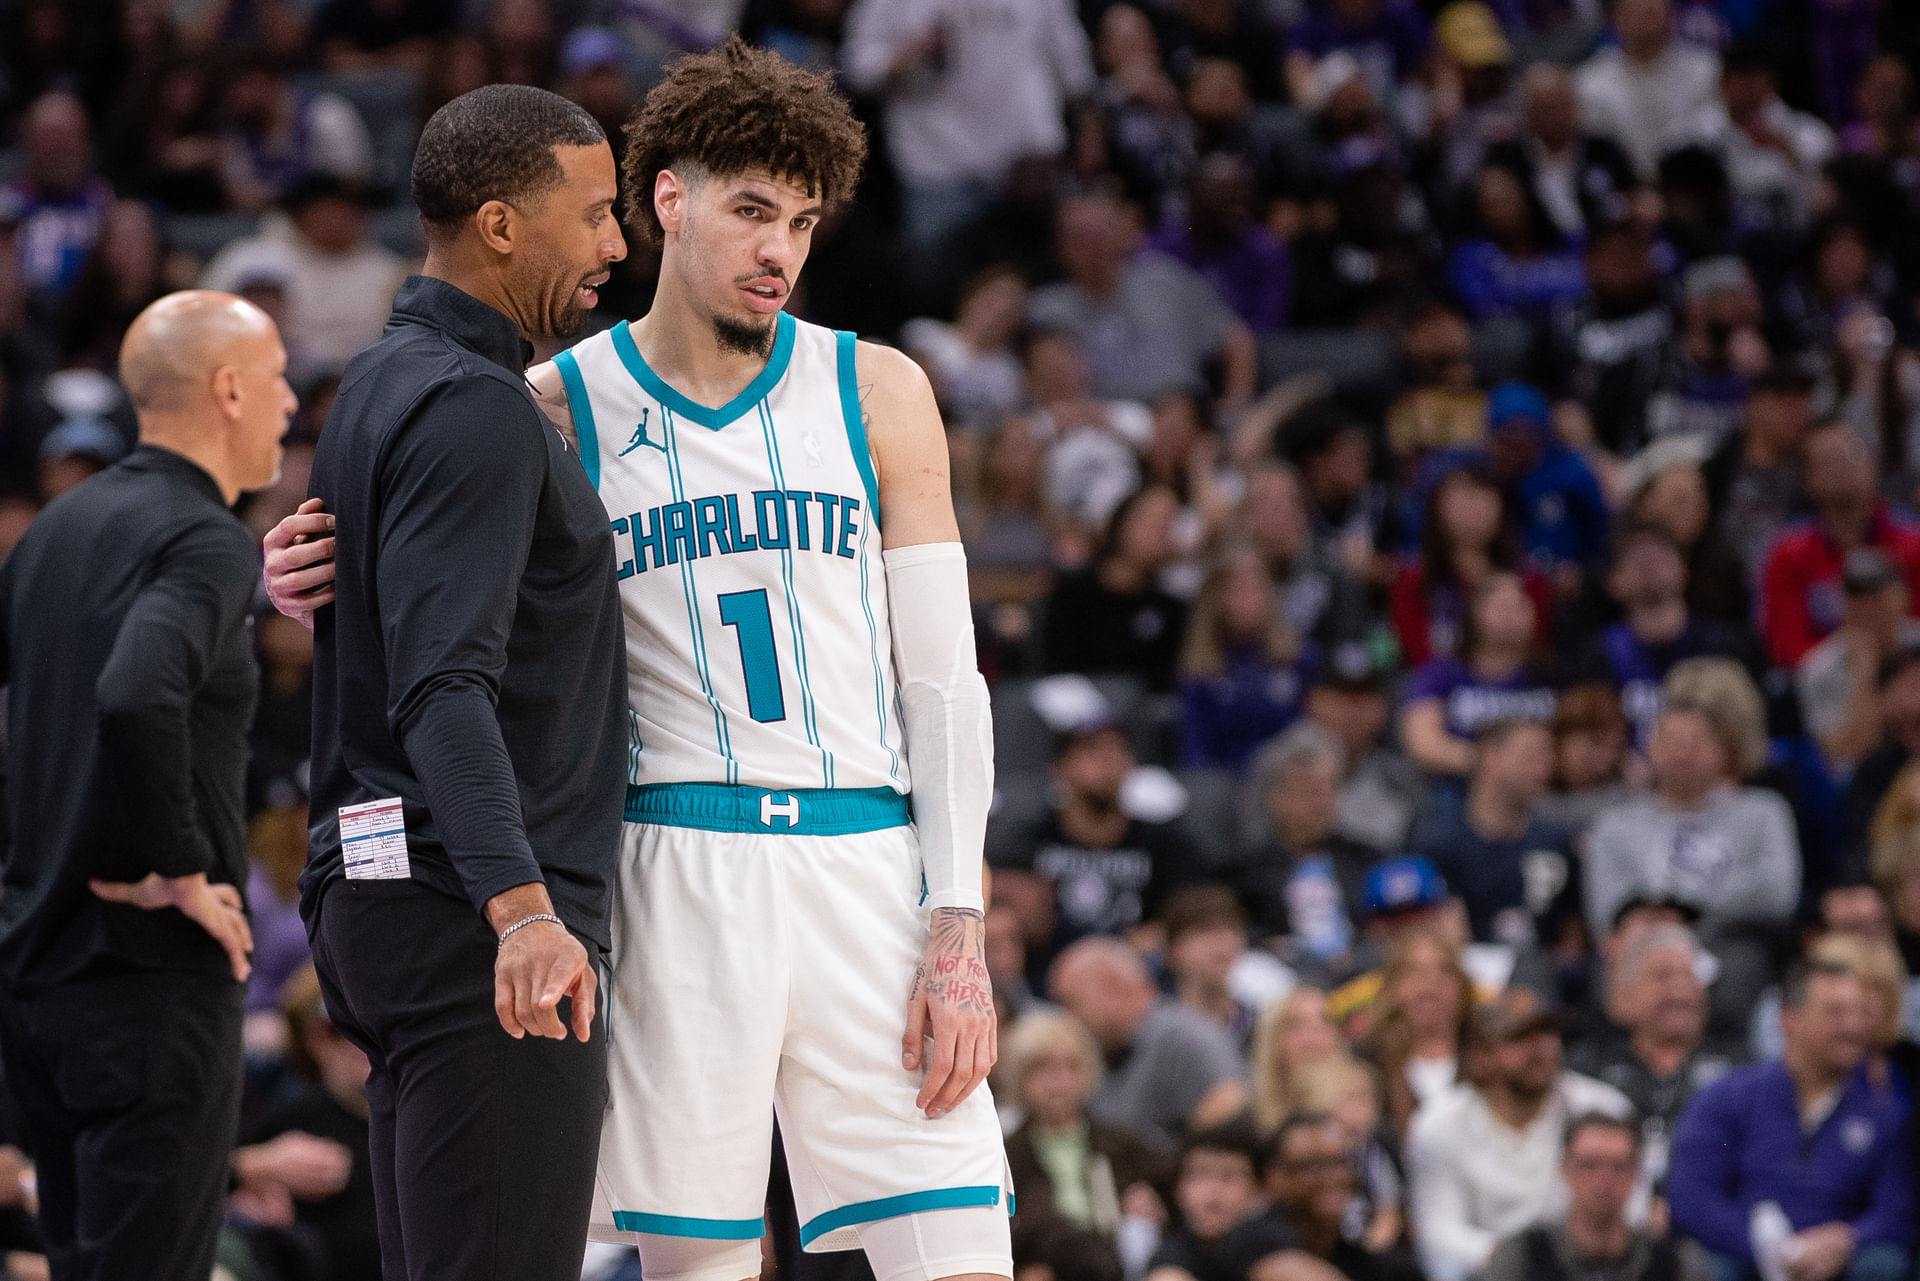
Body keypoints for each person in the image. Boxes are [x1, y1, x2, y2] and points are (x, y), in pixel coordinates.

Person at [291, 85, 632, 1280]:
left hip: (384, 890)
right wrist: (525, 912)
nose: (616, 245)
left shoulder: (379, 385)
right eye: (594, 213)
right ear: (500, 224)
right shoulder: (477, 407)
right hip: (471, 918)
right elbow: (443, 685)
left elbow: (379, 624)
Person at [0, 290, 294, 1280]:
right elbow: (137, 695)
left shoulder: (54, 530)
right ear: (227, 390)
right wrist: (179, 867)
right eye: (276, 379)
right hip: (149, 976)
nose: (291, 403)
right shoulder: (207, 539)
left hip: (39, 968)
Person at [1667, 960, 1916, 1281]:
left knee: (1884, 1264)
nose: (1853, 1028)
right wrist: (1765, 1246)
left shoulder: (1884, 1110)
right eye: (1836, 1013)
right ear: (1789, 1020)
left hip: (1842, 1265)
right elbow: (1691, 1196)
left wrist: (1849, 1239)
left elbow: (1899, 1209)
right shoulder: (1728, 1096)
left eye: (1858, 1013)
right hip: (1744, 1258)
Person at [1405, 987, 1633, 1281]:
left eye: (1548, 1031)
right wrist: (1526, 1262)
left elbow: (1632, 1208)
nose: (1540, 1047)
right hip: (1487, 1269)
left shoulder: (1605, 1110)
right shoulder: (1437, 1124)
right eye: (1520, 1037)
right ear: (1480, 1054)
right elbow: (1438, 1232)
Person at [1050, 936, 1249, 1152]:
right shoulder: (1097, 1048)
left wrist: (1172, 1169)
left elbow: (1231, 1098)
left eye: (1070, 1002)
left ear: (1112, 984)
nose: (1066, 1018)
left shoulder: (1183, 1035)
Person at [1760, 417, 1920, 669]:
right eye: (1826, 461)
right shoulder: (1788, 552)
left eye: (1850, 455)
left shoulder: (1913, 543)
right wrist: (1843, 662)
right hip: (1818, 681)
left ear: (1873, 463)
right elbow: (1785, 642)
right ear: (1808, 479)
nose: (1839, 468)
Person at [1478, 1112, 1716, 1281]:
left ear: (1636, 1174)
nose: (1604, 1179)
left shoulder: (1675, 1262)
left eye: (1619, 1166)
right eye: (1589, 1165)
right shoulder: (1523, 1255)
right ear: (1565, 1169)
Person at [1410, 717, 1581, 950]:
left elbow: (1572, 931)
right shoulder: (1439, 846)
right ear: (1490, 757)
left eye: (1547, 758)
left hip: (1545, 975)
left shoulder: (1556, 841)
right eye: (1529, 757)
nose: (1543, 769)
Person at [1001, 1009, 1171, 1240]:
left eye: (1071, 1066)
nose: (1059, 1081)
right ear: (1019, 1077)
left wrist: (1152, 1204)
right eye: (1042, 1068)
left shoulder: (1122, 1142)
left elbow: (1173, 1186)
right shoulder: (1006, 1154)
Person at [1574, 0, 1721, 181]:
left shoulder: (1707, 71)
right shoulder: (1590, 82)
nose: (1647, 22)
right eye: (1637, 13)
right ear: (1615, 19)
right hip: (1624, 187)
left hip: (1697, 183)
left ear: (1672, 17)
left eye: (1653, 12)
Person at [1264, 1112, 1419, 1281]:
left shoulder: (1356, 1258)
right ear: (1277, 1177)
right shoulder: (1257, 1240)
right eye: (1313, 1165)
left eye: (1341, 1162)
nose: (1333, 1177)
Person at [1146, 1122, 1298, 1281]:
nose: (1214, 1188)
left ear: (1258, 1190)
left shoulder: (1276, 1238)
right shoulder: (1170, 1252)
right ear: (1178, 1189)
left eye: (1229, 1175)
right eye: (1201, 1173)